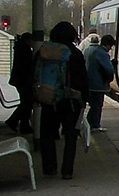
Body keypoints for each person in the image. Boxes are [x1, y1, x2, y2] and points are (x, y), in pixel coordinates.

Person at [36, 21, 89, 180]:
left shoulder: (44, 51)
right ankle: (67, 171)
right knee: (70, 136)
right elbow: (82, 79)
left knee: (47, 134)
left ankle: (50, 168)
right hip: (70, 101)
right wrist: (84, 99)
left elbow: (34, 74)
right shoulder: (75, 53)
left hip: (49, 99)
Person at [84, 34, 116, 131]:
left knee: (94, 105)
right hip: (98, 84)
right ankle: (94, 124)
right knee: (97, 105)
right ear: (107, 45)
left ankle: (90, 123)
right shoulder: (102, 53)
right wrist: (112, 66)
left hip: (91, 82)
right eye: (110, 46)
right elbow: (108, 69)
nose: (110, 49)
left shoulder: (92, 51)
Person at [5, 32, 35, 134]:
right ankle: (14, 121)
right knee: (27, 103)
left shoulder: (20, 49)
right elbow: (28, 66)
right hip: (24, 81)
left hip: (20, 80)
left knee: (26, 103)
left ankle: (22, 124)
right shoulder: (25, 51)